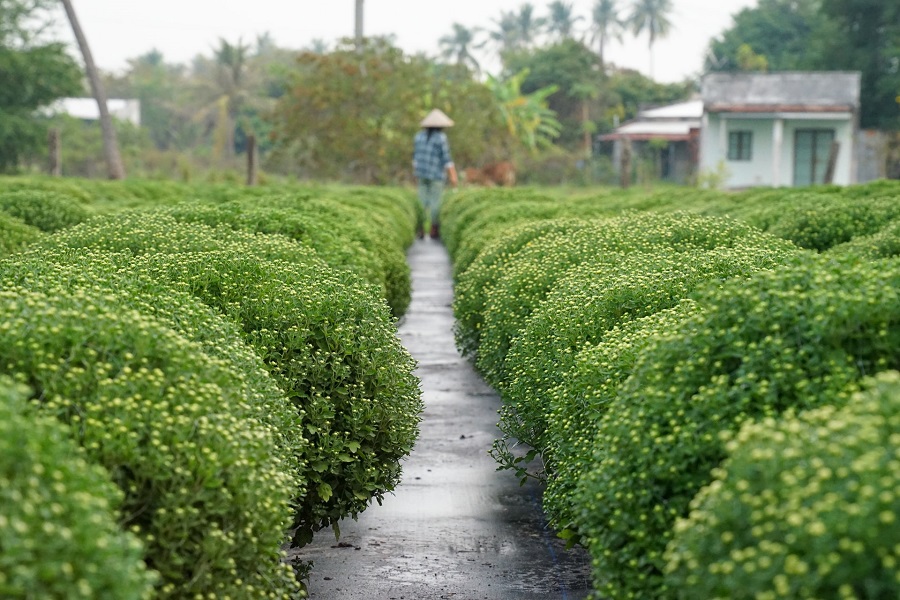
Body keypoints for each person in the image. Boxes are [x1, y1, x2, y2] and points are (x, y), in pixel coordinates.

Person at [413, 109, 458, 239]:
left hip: (421, 174)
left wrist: (416, 173)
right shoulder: (441, 138)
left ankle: (420, 228)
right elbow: (446, 159)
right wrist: (453, 176)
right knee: (435, 202)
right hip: (436, 175)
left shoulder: (419, 136)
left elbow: (415, 158)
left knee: (421, 201)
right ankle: (434, 229)